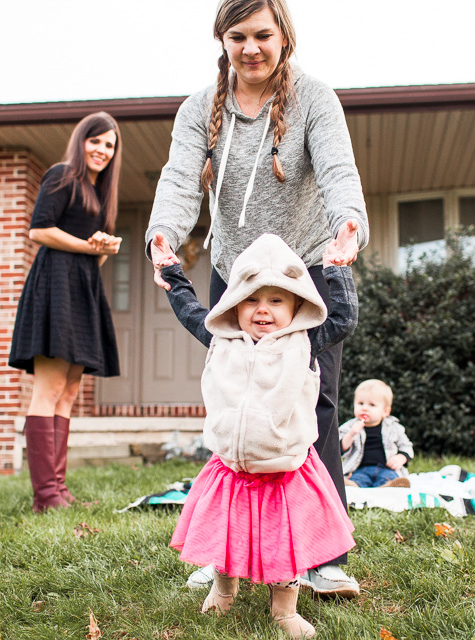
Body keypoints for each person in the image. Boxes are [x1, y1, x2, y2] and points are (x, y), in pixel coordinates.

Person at [145, 0, 368, 597]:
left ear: (283, 37)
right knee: (235, 403)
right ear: (222, 40)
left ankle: (322, 555)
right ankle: (224, 550)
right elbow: (177, 176)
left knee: (312, 404)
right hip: (236, 274)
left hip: (307, 268)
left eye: (263, 35)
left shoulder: (314, 99)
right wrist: (164, 232)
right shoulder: (200, 108)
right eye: (238, 37)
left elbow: (339, 171)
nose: (251, 48)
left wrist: (349, 225)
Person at [155, 233, 357, 639]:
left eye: (276, 301)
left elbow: (344, 319)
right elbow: (190, 310)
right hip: (231, 467)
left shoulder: (306, 344)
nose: (263, 310)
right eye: (251, 300)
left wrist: (336, 270)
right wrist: (172, 274)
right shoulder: (221, 340)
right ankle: (223, 591)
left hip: (285, 470)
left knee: (285, 546)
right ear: (234, 303)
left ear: (298, 304)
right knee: (227, 537)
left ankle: (284, 610)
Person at [9, 112, 123, 512]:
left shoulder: (99, 191)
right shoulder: (62, 175)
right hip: (54, 286)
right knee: (50, 388)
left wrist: (103, 250)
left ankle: (58, 488)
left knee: (71, 390)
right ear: (82, 140)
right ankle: (45, 496)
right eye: (96, 141)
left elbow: (91, 259)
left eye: (109, 145)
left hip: (82, 288)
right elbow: (38, 230)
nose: (102, 150)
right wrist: (89, 246)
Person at [339, 379, 415, 488]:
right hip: (360, 469)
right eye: (360, 403)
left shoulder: (393, 426)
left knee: (389, 477)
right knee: (359, 479)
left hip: (386, 468)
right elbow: (339, 449)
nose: (364, 408)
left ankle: (388, 486)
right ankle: (352, 486)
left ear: (385, 411)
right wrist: (351, 434)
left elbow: (406, 446)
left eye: (372, 405)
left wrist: (401, 457)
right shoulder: (350, 426)